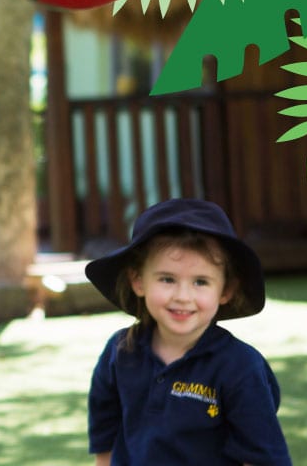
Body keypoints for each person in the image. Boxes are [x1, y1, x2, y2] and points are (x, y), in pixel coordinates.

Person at [84, 198, 292, 465]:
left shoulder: (241, 367)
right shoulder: (119, 352)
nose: (183, 296)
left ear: (226, 290)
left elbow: (263, 458)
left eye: (200, 282)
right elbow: (106, 443)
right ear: (138, 281)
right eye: (167, 279)